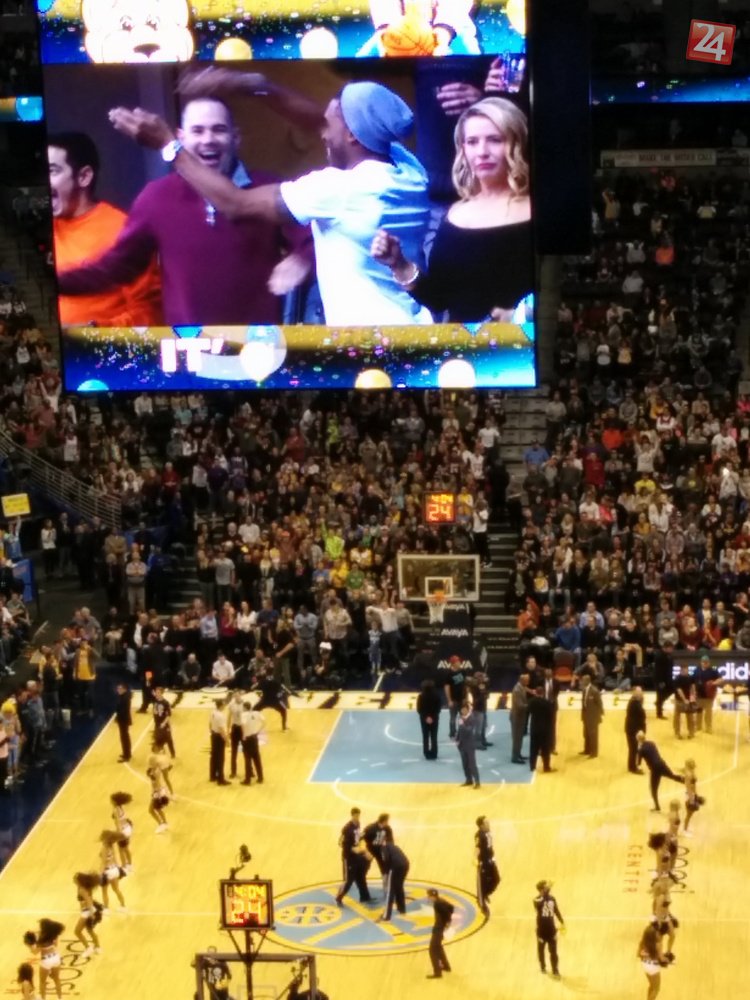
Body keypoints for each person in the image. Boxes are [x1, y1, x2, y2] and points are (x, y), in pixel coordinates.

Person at [109, 71, 434, 325]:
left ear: (351, 134)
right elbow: (317, 121)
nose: (322, 131)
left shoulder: (339, 190)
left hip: (371, 341)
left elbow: (236, 204)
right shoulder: (408, 168)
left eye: (330, 122)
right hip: (412, 322)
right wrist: (253, 85)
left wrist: (169, 145)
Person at [58, 99, 310, 326]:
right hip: (189, 346)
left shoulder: (268, 187)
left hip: (259, 345)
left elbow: (315, 236)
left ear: (236, 138)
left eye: (218, 129)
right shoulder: (156, 197)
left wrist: (303, 258)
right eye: (197, 131)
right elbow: (117, 267)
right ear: (181, 138)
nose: (208, 139)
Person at [372, 97, 532, 322]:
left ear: (516, 143)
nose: (482, 151)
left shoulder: (536, 212)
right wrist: (399, 264)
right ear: (462, 149)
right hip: (462, 342)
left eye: (495, 140)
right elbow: (439, 299)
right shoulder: (455, 214)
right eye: (472, 142)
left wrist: (524, 315)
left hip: (527, 342)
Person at [48, 132, 161, 326]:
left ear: (83, 177)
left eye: (52, 171)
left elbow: (150, 313)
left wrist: (93, 331)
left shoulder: (122, 230)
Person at [636, 731, 685, 812]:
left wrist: (638, 751)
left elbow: (638, 763)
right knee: (672, 776)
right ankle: (686, 781)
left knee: (653, 789)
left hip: (654, 769)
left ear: (638, 739)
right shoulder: (652, 743)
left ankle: (657, 806)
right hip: (661, 764)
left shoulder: (641, 749)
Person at [336, 807, 373, 906]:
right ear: (352, 815)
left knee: (361, 876)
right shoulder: (347, 829)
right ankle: (339, 897)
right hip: (349, 857)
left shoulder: (358, 824)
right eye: (355, 816)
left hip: (356, 855)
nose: (357, 817)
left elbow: (357, 839)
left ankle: (365, 897)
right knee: (348, 880)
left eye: (358, 815)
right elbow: (342, 844)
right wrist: (363, 851)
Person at [24, 919, 65, 999]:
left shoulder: (41, 939)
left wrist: (29, 945)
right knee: (57, 979)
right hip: (56, 958)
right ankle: (60, 998)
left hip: (46, 960)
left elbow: (35, 952)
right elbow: (56, 945)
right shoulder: (53, 934)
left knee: (42, 982)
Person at [533, 880, 564, 979]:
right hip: (541, 931)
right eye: (546, 886)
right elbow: (540, 903)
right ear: (541, 889)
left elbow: (556, 910)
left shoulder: (552, 898)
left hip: (551, 929)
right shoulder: (536, 900)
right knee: (541, 950)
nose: (548, 888)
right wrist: (545, 893)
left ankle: (555, 969)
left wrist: (561, 921)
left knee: (553, 951)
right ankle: (542, 966)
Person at [475, 816, 500, 916]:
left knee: (496, 879)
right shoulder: (479, 835)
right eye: (486, 823)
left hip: (491, 861)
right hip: (483, 863)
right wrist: (475, 858)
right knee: (482, 884)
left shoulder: (488, 833)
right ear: (481, 825)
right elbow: (477, 848)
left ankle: (486, 893)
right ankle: (482, 905)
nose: (488, 824)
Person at [426, 887, 454, 979]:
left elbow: (446, 913)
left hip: (438, 928)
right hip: (440, 927)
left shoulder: (437, 904)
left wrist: (446, 922)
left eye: (429, 896)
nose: (428, 898)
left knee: (432, 950)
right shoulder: (441, 901)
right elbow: (451, 908)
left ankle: (437, 972)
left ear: (432, 896)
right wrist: (447, 922)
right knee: (438, 947)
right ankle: (446, 966)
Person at [73, 871, 102, 958]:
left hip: (87, 912)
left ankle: (88, 948)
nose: (73, 880)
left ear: (79, 881)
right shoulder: (84, 888)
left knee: (77, 931)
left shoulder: (82, 890)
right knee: (90, 930)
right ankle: (97, 947)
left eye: (75, 879)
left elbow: (89, 901)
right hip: (88, 911)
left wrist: (91, 914)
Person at [363, 813, 394, 894]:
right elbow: (361, 839)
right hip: (371, 850)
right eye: (387, 821)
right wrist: (366, 852)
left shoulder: (387, 829)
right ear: (384, 821)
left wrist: (388, 850)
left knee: (385, 868)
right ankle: (361, 881)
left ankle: (385, 887)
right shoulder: (370, 828)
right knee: (364, 867)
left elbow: (391, 841)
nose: (388, 823)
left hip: (381, 851)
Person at [651, 872, 678, 965]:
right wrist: (659, 922)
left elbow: (665, 908)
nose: (668, 884)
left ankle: (668, 953)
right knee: (660, 940)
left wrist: (670, 915)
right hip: (661, 920)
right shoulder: (661, 897)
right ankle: (660, 957)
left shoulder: (666, 892)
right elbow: (658, 910)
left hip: (666, 918)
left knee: (672, 935)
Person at [527, 686, 554, 773]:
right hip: (544, 729)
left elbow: (528, 712)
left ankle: (532, 766)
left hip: (534, 728)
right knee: (545, 749)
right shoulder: (547, 703)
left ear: (536, 692)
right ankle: (546, 767)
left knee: (533, 749)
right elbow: (550, 716)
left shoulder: (531, 702)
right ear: (543, 693)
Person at [380, 841, 410, 921]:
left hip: (395, 867)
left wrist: (386, 873)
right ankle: (402, 909)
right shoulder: (393, 846)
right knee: (399, 887)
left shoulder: (384, 848)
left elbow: (386, 859)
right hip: (405, 865)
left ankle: (386, 916)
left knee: (390, 891)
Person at [98, 829, 126, 910]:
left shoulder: (104, 848)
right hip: (115, 870)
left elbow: (103, 863)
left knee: (104, 891)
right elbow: (115, 859)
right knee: (116, 889)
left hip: (108, 871)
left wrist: (100, 874)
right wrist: (119, 868)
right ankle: (123, 906)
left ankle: (106, 908)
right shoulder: (112, 846)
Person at [694, 653, 722, 734]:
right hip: (699, 695)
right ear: (701, 662)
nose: (705, 663)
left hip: (708, 696)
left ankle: (708, 727)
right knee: (698, 712)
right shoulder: (697, 670)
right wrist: (693, 692)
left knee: (708, 713)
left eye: (706, 662)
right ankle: (698, 727)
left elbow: (721, 679)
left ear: (709, 662)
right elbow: (693, 681)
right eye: (703, 662)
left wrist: (713, 683)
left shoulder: (713, 671)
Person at [240, 700, 265, 785]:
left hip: (247, 738)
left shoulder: (244, 715)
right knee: (257, 758)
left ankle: (247, 780)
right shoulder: (256, 713)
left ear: (245, 708)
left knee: (247, 759)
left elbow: (243, 724)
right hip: (254, 737)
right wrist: (258, 730)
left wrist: (243, 735)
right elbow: (264, 722)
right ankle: (260, 777)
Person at [456, 701, 480, 788]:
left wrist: (462, 724)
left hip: (469, 745)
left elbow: (469, 731)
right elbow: (459, 730)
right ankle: (468, 780)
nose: (463, 711)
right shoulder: (461, 717)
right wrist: (457, 739)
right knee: (465, 764)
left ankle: (477, 782)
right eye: (462, 709)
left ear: (468, 709)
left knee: (472, 764)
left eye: (464, 709)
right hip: (462, 745)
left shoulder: (472, 718)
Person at [637, 922, 664, 1000]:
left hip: (645, 965)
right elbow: (662, 959)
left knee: (652, 986)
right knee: (656, 989)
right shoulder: (658, 944)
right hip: (654, 967)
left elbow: (639, 954)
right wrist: (669, 960)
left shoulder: (642, 943)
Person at [416, 678, 441, 760]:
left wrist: (426, 717)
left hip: (424, 719)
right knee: (434, 737)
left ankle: (426, 753)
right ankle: (434, 753)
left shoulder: (421, 696)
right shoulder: (437, 696)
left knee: (425, 736)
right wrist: (432, 717)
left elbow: (419, 709)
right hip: (434, 719)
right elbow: (438, 708)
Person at [580, 674, 604, 758]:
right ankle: (587, 750)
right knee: (586, 734)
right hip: (586, 716)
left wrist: (599, 716)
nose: (581, 682)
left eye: (583, 680)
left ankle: (594, 752)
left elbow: (600, 704)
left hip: (593, 717)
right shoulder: (584, 690)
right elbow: (584, 704)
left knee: (593, 735)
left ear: (587, 681)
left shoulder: (594, 691)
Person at [625, 687, 647, 774]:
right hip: (633, 730)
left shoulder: (634, 702)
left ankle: (632, 766)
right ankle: (633, 767)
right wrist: (641, 730)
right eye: (639, 693)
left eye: (641, 692)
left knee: (633, 749)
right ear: (635, 693)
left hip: (632, 729)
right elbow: (641, 716)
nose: (641, 694)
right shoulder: (634, 704)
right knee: (633, 749)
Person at [110, 791, 134, 871]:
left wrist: (118, 834)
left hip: (123, 830)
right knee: (126, 848)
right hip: (127, 828)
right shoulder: (121, 807)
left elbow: (117, 823)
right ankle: (130, 864)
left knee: (121, 849)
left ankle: (124, 866)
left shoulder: (115, 810)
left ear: (114, 802)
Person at [672, 663, 697, 739]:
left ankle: (691, 732)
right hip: (679, 700)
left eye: (686, 669)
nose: (686, 671)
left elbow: (693, 687)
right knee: (677, 717)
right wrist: (684, 699)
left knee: (690, 717)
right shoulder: (677, 679)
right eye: (684, 670)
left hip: (688, 700)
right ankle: (677, 733)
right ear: (681, 670)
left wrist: (693, 697)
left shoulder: (690, 677)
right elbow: (679, 690)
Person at [147, 756, 171, 832]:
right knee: (155, 809)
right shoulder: (155, 770)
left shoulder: (155, 772)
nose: (149, 764)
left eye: (150, 762)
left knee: (152, 810)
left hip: (157, 792)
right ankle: (164, 824)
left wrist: (156, 794)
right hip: (157, 792)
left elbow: (156, 783)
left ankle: (162, 824)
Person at [510, 671, 529, 763]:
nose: (528, 682)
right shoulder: (517, 690)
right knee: (517, 738)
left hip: (520, 716)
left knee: (520, 737)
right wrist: (530, 706)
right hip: (516, 717)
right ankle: (515, 757)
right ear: (522, 680)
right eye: (527, 680)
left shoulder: (522, 687)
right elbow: (519, 705)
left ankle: (518, 754)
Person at [209, 698, 230, 785]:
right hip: (219, 737)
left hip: (213, 735)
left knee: (214, 756)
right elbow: (221, 729)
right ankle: (221, 779)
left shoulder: (213, 712)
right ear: (221, 705)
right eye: (224, 704)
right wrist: (227, 740)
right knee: (220, 758)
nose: (225, 705)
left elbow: (210, 724)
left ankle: (212, 776)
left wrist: (211, 732)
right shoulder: (220, 716)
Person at [152, 685, 175, 758]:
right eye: (156, 692)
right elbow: (154, 710)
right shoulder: (155, 701)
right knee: (158, 739)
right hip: (157, 724)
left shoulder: (165, 703)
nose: (157, 694)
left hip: (164, 724)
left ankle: (173, 753)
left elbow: (168, 715)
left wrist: (164, 723)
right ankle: (160, 753)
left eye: (158, 692)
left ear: (162, 693)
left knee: (169, 739)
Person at [682, 758, 705, 836]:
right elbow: (688, 787)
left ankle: (686, 828)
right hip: (689, 795)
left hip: (692, 794)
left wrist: (696, 795)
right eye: (692, 764)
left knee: (690, 814)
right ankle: (685, 830)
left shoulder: (691, 772)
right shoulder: (688, 775)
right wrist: (691, 798)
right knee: (689, 814)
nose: (694, 766)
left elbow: (693, 785)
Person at [652, 642, 674, 720]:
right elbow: (658, 670)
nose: (672, 650)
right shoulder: (659, 656)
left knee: (672, 689)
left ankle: (659, 702)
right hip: (660, 679)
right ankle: (659, 713)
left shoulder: (669, 656)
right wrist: (660, 681)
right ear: (666, 648)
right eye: (670, 648)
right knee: (660, 695)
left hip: (667, 678)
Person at [114, 681, 132, 763]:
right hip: (123, 719)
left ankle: (127, 755)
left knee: (124, 738)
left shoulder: (125, 698)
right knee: (124, 737)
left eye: (120, 688)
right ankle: (127, 753)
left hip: (123, 720)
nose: (118, 690)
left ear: (124, 689)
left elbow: (123, 710)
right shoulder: (123, 697)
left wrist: (118, 717)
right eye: (118, 688)